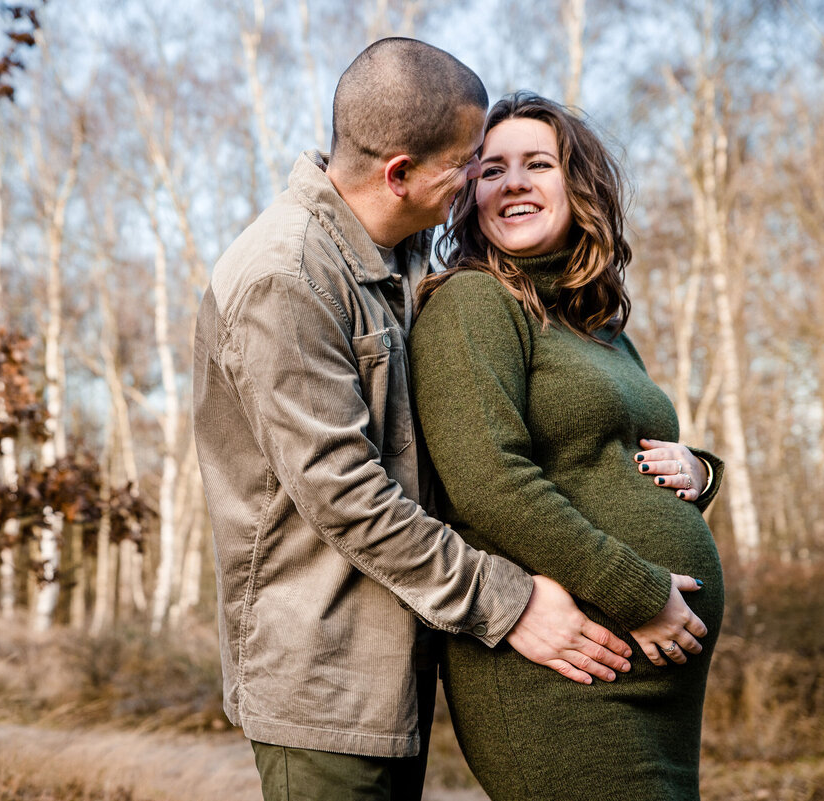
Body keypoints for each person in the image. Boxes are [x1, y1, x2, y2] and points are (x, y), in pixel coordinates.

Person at [194, 40, 680, 801]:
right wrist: (511, 601)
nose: (474, 191)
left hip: (401, 663)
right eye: (470, 166)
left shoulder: (393, 252)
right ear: (400, 174)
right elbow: (349, 498)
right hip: (328, 678)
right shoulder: (285, 279)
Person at [409, 91, 726, 800]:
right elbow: (489, 481)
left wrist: (700, 471)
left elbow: (620, 456)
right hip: (564, 674)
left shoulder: (599, 326)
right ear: (469, 197)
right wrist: (638, 590)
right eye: (491, 170)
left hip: (654, 686)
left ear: (577, 186)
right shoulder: (474, 302)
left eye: (538, 163)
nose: (514, 181)